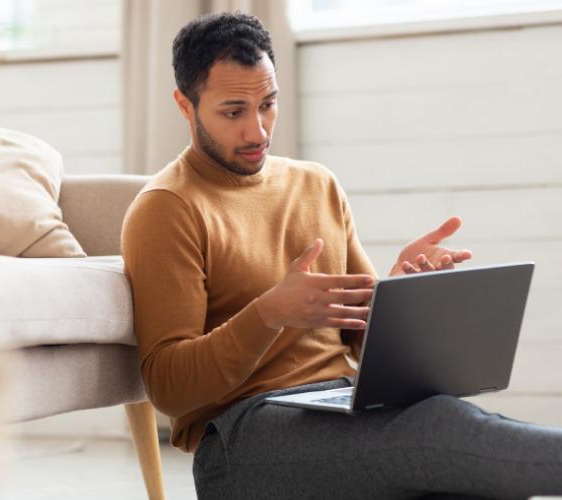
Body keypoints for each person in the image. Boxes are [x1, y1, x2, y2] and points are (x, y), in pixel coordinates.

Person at [121, 11, 562, 500]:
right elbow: (167, 387)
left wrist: (398, 294)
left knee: (463, 466)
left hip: (341, 405)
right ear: (185, 105)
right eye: (233, 111)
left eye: (268, 104)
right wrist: (269, 314)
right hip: (242, 439)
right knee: (438, 433)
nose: (258, 130)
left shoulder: (316, 184)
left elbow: (358, 338)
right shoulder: (168, 208)